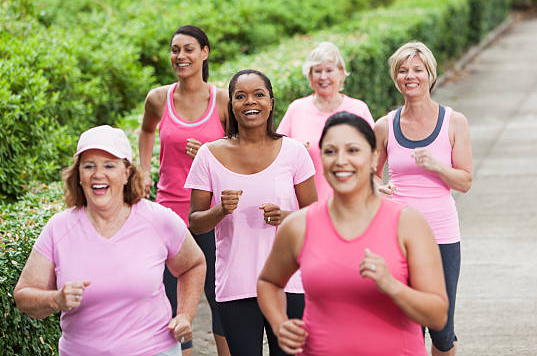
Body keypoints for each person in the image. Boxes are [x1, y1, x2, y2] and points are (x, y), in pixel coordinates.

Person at [257, 111, 448, 355]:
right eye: (329, 151)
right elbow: (268, 282)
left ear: (374, 158)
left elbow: (438, 316)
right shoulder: (299, 225)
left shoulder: (408, 223)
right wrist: (279, 323)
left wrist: (392, 286)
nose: (340, 160)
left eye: (353, 150)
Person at [14, 125, 206, 356]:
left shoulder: (157, 219)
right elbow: (24, 294)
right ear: (79, 176)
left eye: (109, 165)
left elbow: (193, 264)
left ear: (126, 173)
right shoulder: (59, 228)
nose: (98, 174)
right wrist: (56, 299)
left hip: (154, 350)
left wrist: (185, 314)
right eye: (89, 166)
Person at [185, 69, 318, 356]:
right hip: (236, 284)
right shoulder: (209, 155)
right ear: (230, 104)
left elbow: (316, 217)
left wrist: (286, 217)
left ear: (270, 101)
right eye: (240, 96)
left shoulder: (294, 152)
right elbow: (195, 223)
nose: (250, 102)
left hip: (289, 282)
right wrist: (220, 210)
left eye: (258, 95)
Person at [373, 42, 473, 356]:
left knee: (441, 329)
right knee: (406, 325)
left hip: (441, 236)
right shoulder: (384, 126)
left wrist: (436, 166)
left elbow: (465, 180)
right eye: (402, 71)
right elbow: (370, 175)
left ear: (430, 74)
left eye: (417, 70)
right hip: (398, 235)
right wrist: (376, 187)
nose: (409, 76)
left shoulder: (454, 122)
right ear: (395, 78)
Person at [139, 25, 230, 356]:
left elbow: (241, 151)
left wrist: (209, 152)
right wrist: (143, 167)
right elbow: (147, 130)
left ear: (205, 52)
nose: (181, 56)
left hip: (209, 214)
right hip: (167, 213)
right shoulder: (158, 98)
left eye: (189, 49)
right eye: (175, 50)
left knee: (219, 295)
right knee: (170, 300)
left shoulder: (222, 100)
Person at [277, 41, 374, 201]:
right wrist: (295, 151)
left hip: (352, 203)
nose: (323, 77)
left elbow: (373, 155)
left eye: (329, 70)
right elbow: (278, 153)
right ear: (310, 76)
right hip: (307, 206)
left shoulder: (359, 108)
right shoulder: (297, 108)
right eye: (317, 71)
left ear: (341, 73)